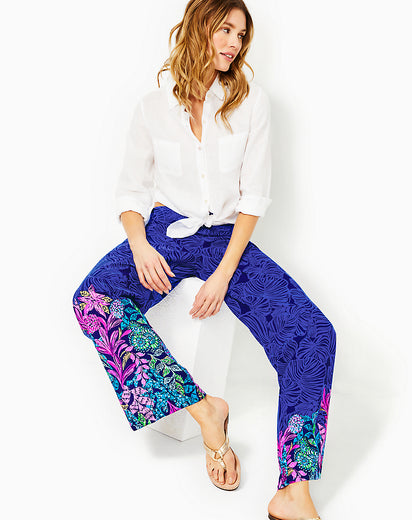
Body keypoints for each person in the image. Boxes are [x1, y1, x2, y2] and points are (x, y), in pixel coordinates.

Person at [72, 1, 336, 519]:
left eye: (241, 35)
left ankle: (293, 488)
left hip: (226, 240)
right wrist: (140, 244)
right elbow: (131, 191)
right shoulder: (152, 107)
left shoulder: (250, 102)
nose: (235, 44)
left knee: (313, 335)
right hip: (163, 233)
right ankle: (205, 410)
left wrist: (222, 274)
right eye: (226, 30)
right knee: (91, 299)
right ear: (199, 27)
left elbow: (253, 197)